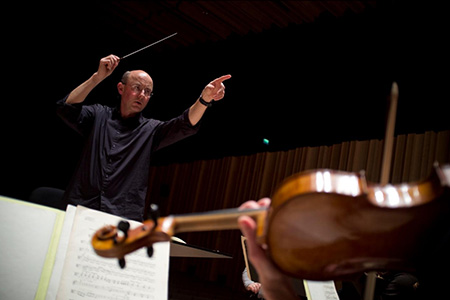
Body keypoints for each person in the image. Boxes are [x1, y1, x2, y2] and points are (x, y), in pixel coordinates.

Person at [57, 54, 231, 221]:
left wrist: (205, 99)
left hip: (121, 216)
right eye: (137, 88)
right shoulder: (98, 115)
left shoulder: (150, 130)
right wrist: (97, 77)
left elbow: (184, 125)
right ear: (121, 88)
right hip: (80, 209)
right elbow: (67, 108)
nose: (142, 95)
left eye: (148, 92)